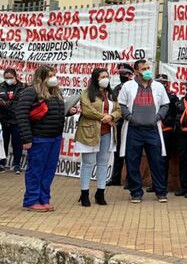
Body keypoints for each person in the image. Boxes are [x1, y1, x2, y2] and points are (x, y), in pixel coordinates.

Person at [14, 66, 67, 212]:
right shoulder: (31, 91)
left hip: (55, 137)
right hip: (39, 138)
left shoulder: (55, 92)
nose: (53, 78)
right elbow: (21, 114)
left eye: (54, 75)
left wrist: (68, 111)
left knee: (48, 170)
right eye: (50, 75)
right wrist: (26, 138)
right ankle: (31, 200)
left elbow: (54, 112)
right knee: (36, 170)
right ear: (41, 77)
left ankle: (44, 199)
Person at [118, 59, 170, 204]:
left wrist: (158, 117)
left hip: (153, 130)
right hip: (134, 130)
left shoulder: (158, 86)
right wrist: (131, 118)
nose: (147, 71)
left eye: (148, 68)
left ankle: (161, 192)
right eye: (144, 69)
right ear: (136, 71)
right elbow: (122, 105)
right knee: (132, 161)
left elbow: (165, 105)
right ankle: (136, 192)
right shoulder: (128, 86)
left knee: (157, 161)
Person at [74, 68, 122, 207]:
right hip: (89, 132)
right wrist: (103, 117)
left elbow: (119, 110)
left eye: (107, 76)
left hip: (107, 132)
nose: (105, 79)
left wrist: (111, 116)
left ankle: (100, 192)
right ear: (96, 78)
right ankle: (84, 193)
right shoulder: (86, 93)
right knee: (88, 163)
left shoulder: (111, 94)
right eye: (102, 77)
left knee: (103, 163)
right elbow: (87, 110)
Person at [150, 74, 178, 193]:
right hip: (153, 130)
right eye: (159, 82)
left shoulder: (173, 98)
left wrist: (163, 122)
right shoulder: (151, 95)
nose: (162, 84)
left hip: (166, 131)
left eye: (164, 82)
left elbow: (175, 115)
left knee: (163, 159)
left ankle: (162, 184)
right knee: (153, 158)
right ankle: (154, 184)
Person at [107, 63, 134, 187]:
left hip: (129, 122)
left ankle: (130, 179)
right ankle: (116, 178)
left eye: (124, 74)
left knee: (129, 151)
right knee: (117, 151)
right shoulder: (117, 88)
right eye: (120, 74)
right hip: (118, 123)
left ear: (130, 75)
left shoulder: (134, 87)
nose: (121, 76)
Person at [0, 68, 26, 174]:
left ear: (15, 77)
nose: (8, 80)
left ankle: (17, 164)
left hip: (17, 120)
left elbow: (23, 103)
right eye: (6, 78)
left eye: (10, 77)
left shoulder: (23, 87)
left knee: (17, 143)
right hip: (3, 120)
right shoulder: (1, 86)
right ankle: (2, 163)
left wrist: (7, 104)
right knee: (3, 142)